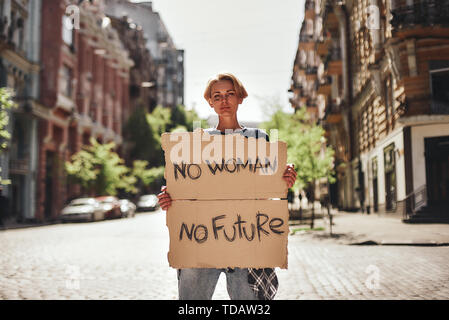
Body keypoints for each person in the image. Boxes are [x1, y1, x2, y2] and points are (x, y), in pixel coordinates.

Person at [157, 72, 297, 300]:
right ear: (210, 102)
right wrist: (170, 197)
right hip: (202, 239)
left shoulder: (258, 139)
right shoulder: (197, 143)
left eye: (230, 94)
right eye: (217, 96)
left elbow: (269, 189)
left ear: (240, 98)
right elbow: (186, 191)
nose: (224, 101)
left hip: (247, 238)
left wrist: (284, 176)